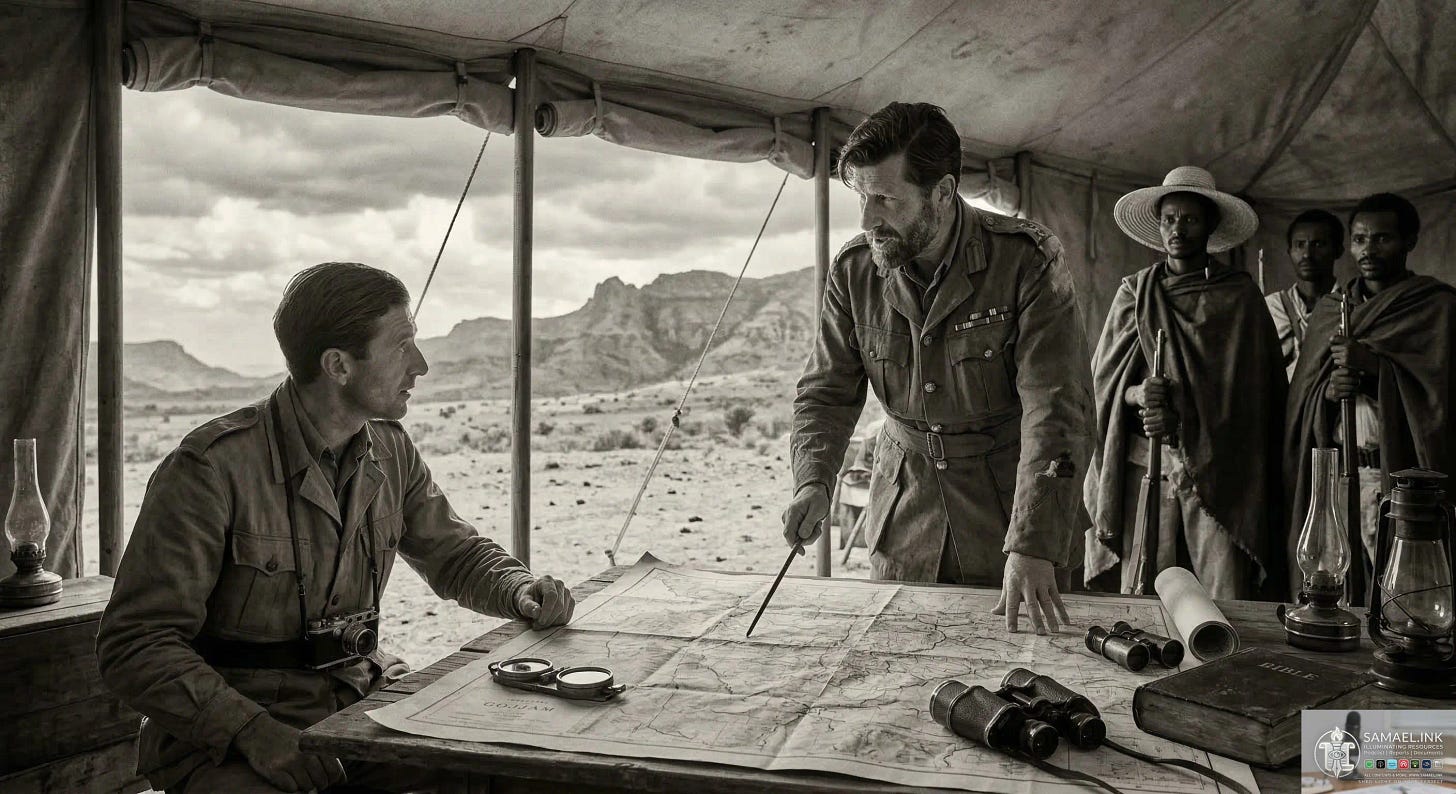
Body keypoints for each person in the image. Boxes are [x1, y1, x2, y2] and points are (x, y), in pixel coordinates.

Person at [97, 263, 576, 794]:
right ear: (338, 365)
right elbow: (135, 643)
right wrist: (254, 733)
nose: (420, 365)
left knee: (511, 767)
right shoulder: (211, 469)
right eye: (402, 346)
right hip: (231, 737)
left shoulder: (391, 450)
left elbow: (455, 556)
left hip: (360, 700)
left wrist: (518, 589)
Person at [783, 102, 1095, 635]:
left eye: (885, 199)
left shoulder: (1027, 260)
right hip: (904, 519)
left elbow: (1056, 406)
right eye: (862, 197)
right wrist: (813, 481)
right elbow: (827, 392)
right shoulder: (856, 270)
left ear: (944, 193)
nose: (866, 220)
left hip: (1011, 518)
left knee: (1031, 683)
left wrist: (1034, 542)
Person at [1084, 166, 1287, 601]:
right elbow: (1103, 382)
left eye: (1190, 219)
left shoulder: (1239, 297)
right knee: (1144, 583)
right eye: (1169, 218)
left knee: (1222, 588)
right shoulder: (1134, 293)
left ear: (1211, 225)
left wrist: (1189, 416)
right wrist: (1140, 394)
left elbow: (1254, 396)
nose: (1177, 229)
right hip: (1146, 461)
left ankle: (1226, 663)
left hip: (1220, 467)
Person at [1285, 193, 1456, 599]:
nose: (1369, 250)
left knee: (1400, 591)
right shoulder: (1332, 310)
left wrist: (1378, 372)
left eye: (1382, 239)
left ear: (1410, 240)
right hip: (1338, 476)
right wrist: (1328, 394)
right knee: (1339, 590)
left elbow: (1443, 398)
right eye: (1360, 239)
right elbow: (1301, 401)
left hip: (1397, 478)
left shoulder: (1436, 308)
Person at [1266, 210, 1343, 378]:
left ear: (1338, 251)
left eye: (1318, 244)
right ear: (1289, 251)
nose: (1307, 254)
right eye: (1300, 245)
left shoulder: (1351, 306)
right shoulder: (1271, 307)